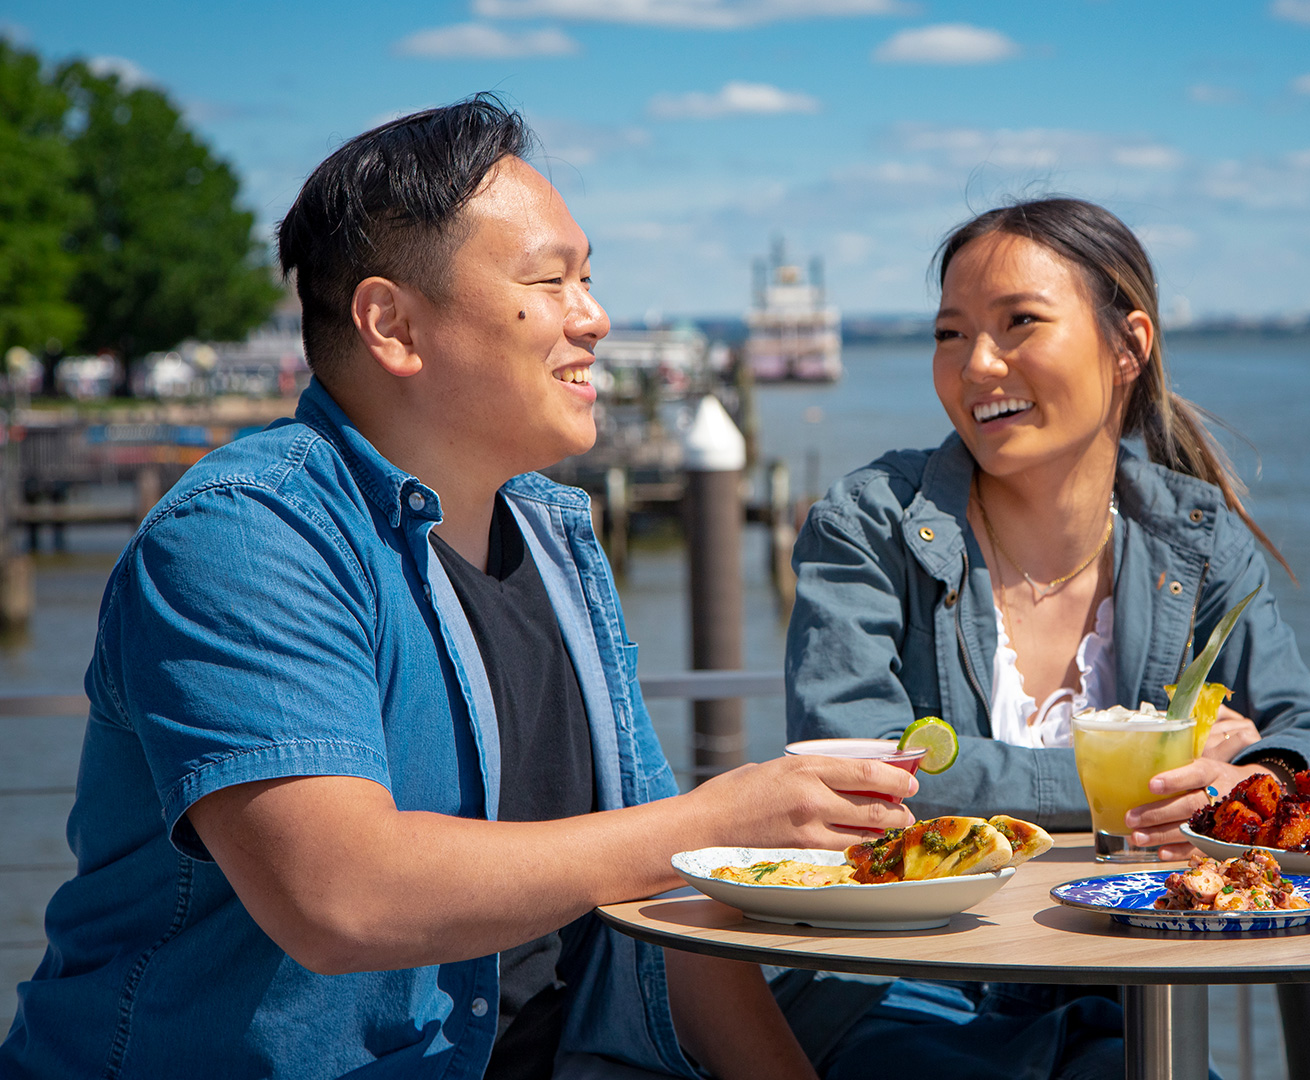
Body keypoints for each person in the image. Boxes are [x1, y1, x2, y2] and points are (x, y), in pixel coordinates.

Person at [0, 95, 916, 1080]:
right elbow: (341, 898)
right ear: (391, 324)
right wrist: (710, 822)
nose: (595, 318)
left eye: (590, 278)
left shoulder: (555, 536)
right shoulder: (245, 535)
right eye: (551, 281)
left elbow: (668, 899)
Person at [780, 197, 1310, 1079]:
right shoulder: (869, 524)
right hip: (903, 976)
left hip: (1127, 975)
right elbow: (851, 775)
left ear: (1128, 345)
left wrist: (1251, 783)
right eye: (950, 333)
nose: (978, 364)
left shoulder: (1197, 539)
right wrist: (1142, 777)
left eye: (1020, 323)